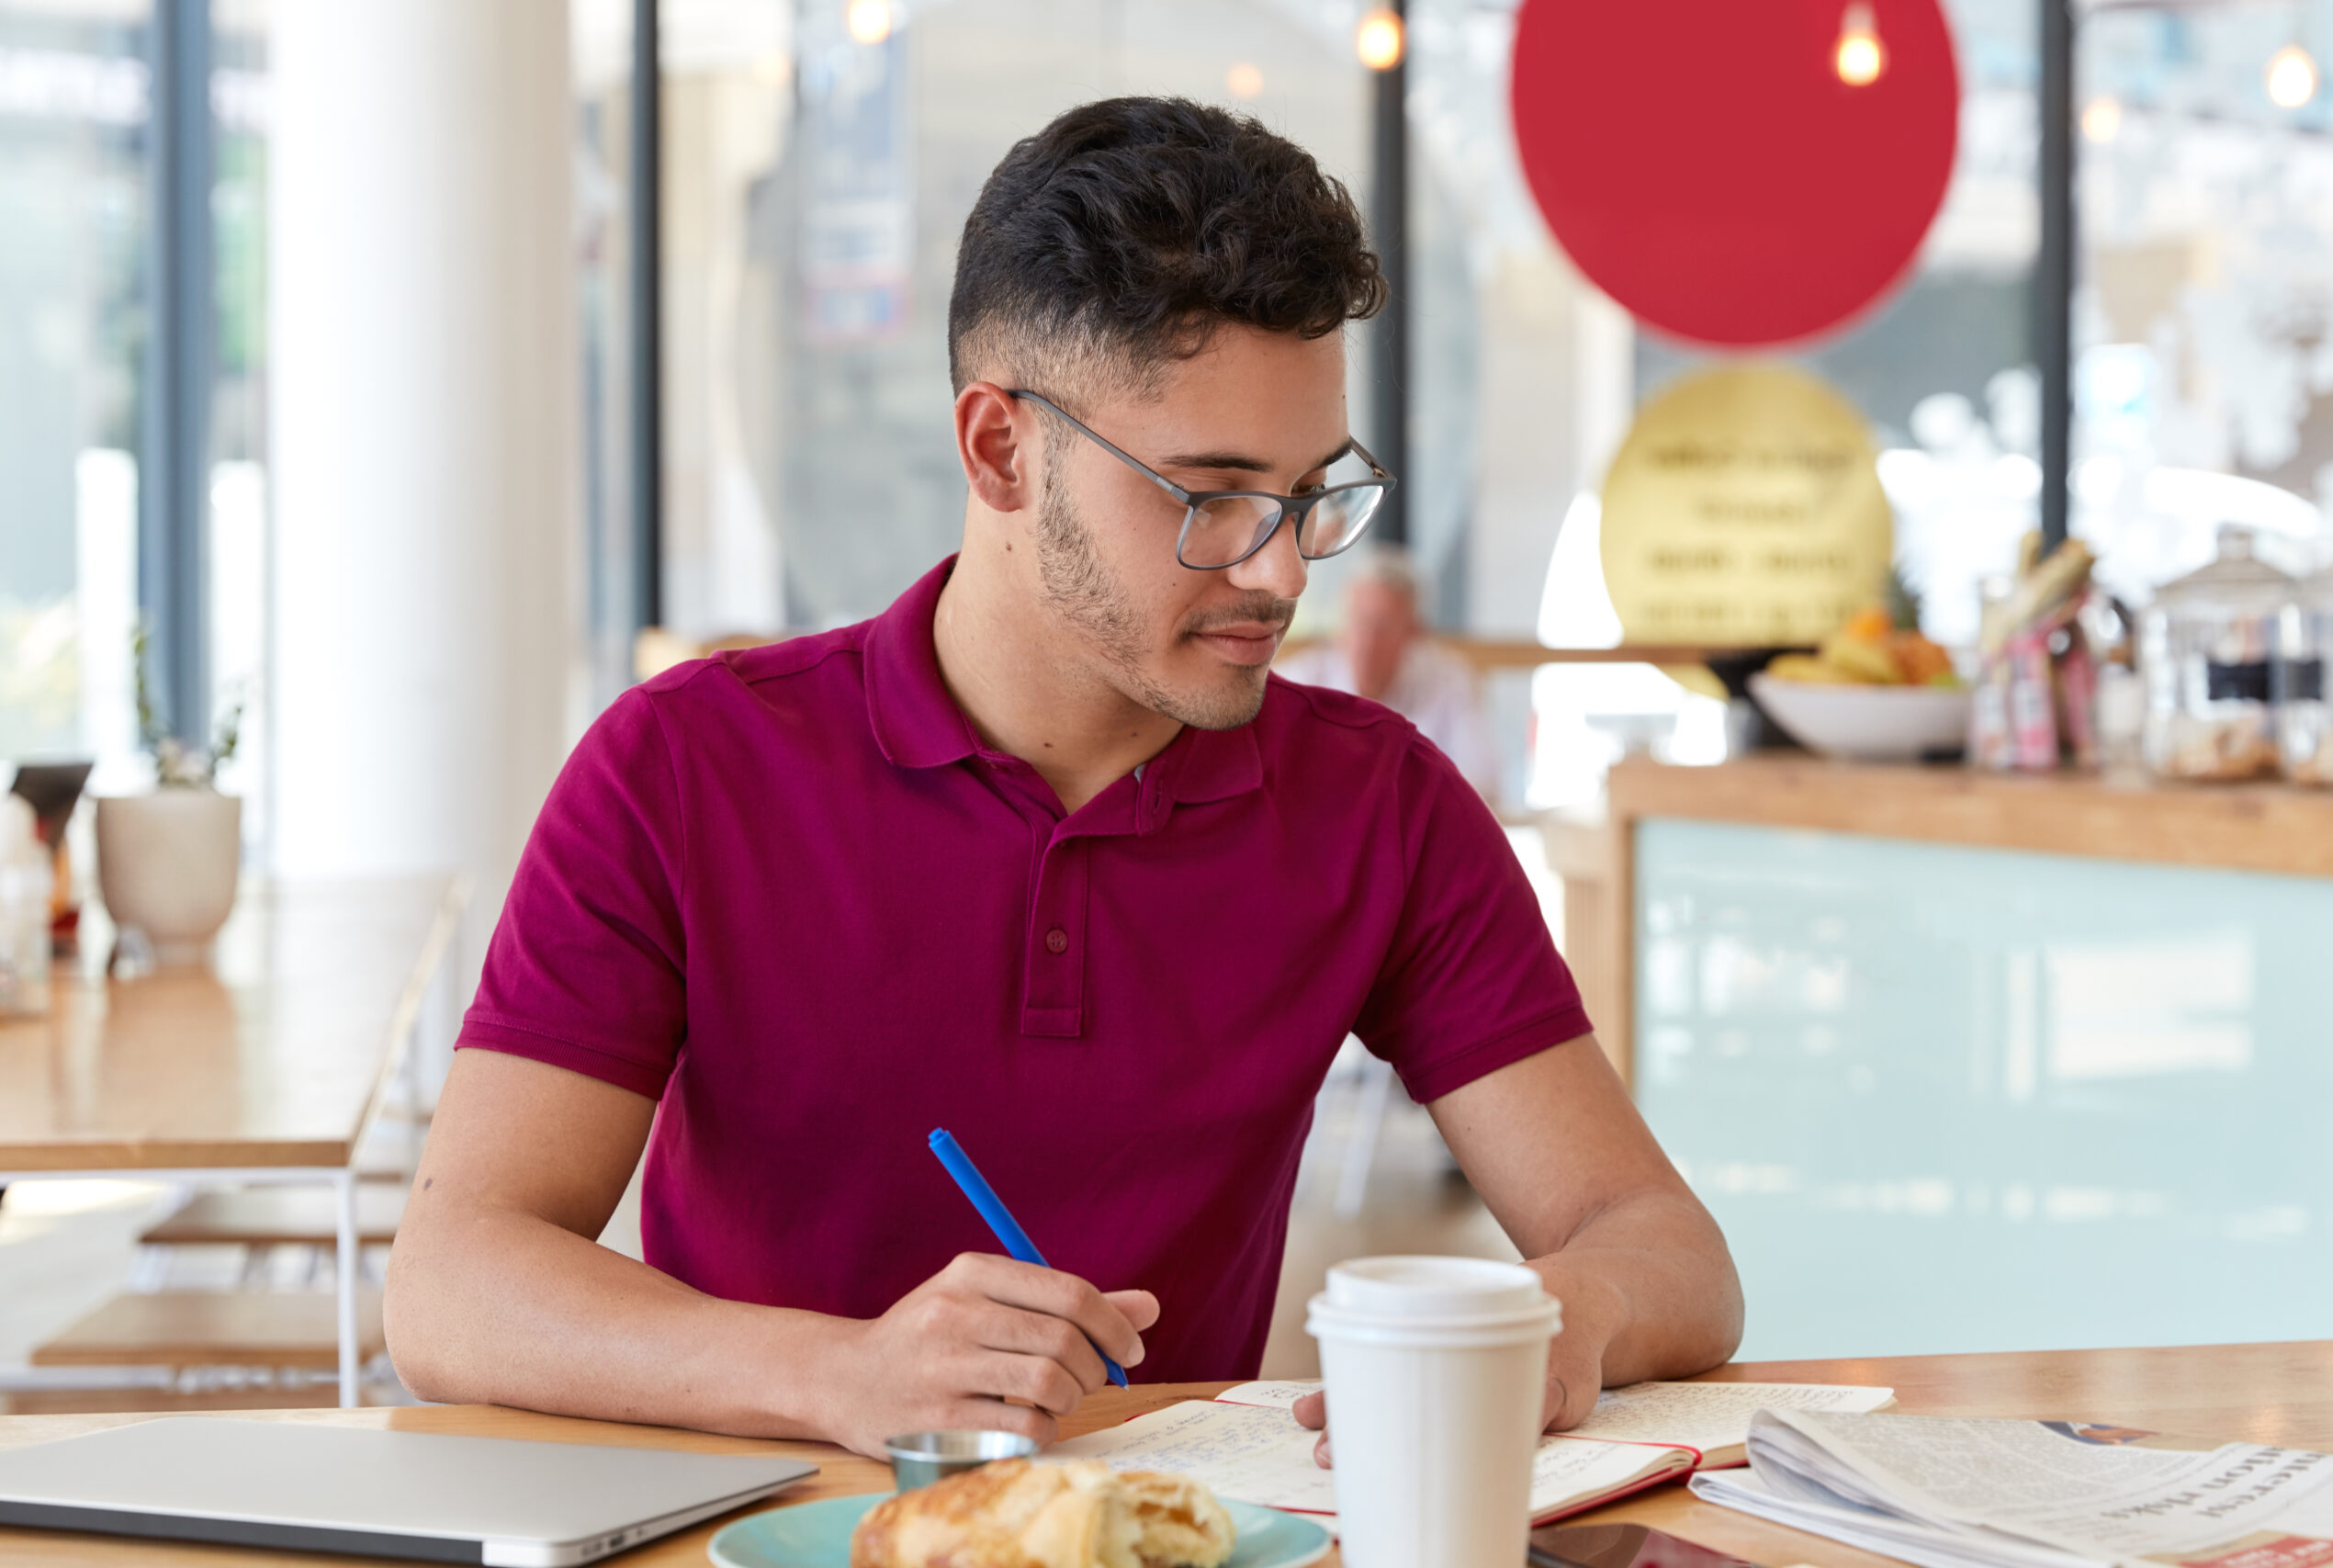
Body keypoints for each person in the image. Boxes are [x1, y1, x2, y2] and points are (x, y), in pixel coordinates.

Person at [384, 96, 1741, 1462]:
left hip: (1174, 1538)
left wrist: (1562, 1312)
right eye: (1210, 494)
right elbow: (451, 1279)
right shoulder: (682, 765)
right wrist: (842, 1374)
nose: (1279, 571)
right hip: (755, 1531)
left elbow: (1666, 1246)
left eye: (1309, 493)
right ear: (1000, 450)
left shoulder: (1381, 805)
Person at [1281, 546, 1501, 801]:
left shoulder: (1449, 681)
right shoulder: (1298, 681)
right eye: (1359, 621)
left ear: (1415, 632)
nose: (1368, 640)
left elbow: (1482, 785)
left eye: (1384, 625)